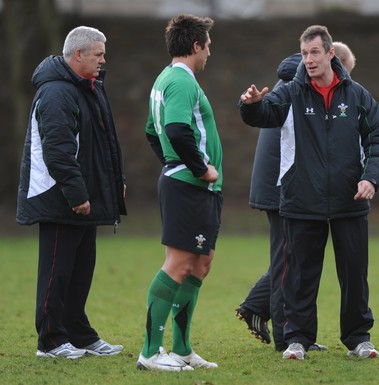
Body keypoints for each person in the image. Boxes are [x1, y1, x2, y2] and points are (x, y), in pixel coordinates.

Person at [239, 25, 379, 360]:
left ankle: (358, 339)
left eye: (315, 53)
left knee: (354, 275)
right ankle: (297, 339)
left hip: (349, 202)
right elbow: (265, 114)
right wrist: (251, 105)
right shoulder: (291, 93)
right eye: (304, 53)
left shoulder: (357, 96)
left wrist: (371, 179)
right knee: (300, 277)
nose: (308, 60)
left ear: (330, 54)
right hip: (301, 201)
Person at [16, 26, 127, 359]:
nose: (103, 60)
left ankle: (79, 334)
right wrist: (77, 194)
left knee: (80, 272)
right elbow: (59, 152)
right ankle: (49, 341)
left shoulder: (88, 88)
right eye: (98, 54)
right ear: (77, 54)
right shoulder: (56, 93)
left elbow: (100, 144)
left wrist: (113, 181)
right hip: (60, 199)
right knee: (57, 273)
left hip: (85, 198)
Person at [136, 14, 223, 371]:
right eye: (208, 46)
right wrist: (198, 169)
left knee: (200, 264)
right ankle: (150, 352)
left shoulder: (167, 79)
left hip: (194, 186)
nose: (209, 54)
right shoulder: (182, 80)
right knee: (179, 264)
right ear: (195, 46)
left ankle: (182, 348)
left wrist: (173, 164)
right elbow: (173, 129)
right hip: (189, 185)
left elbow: (150, 132)